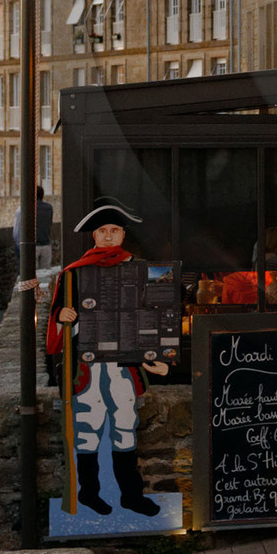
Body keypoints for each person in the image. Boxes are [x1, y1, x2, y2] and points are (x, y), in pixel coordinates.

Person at [46, 202, 171, 517]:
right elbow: (55, 322)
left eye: (114, 230)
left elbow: (155, 318)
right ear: (94, 235)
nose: (108, 236)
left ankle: (130, 495)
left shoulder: (142, 270)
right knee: (88, 427)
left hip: (124, 366)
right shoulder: (73, 274)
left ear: (123, 233)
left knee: (125, 427)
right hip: (87, 366)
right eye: (102, 231)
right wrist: (62, 315)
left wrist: (159, 357)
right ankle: (89, 494)